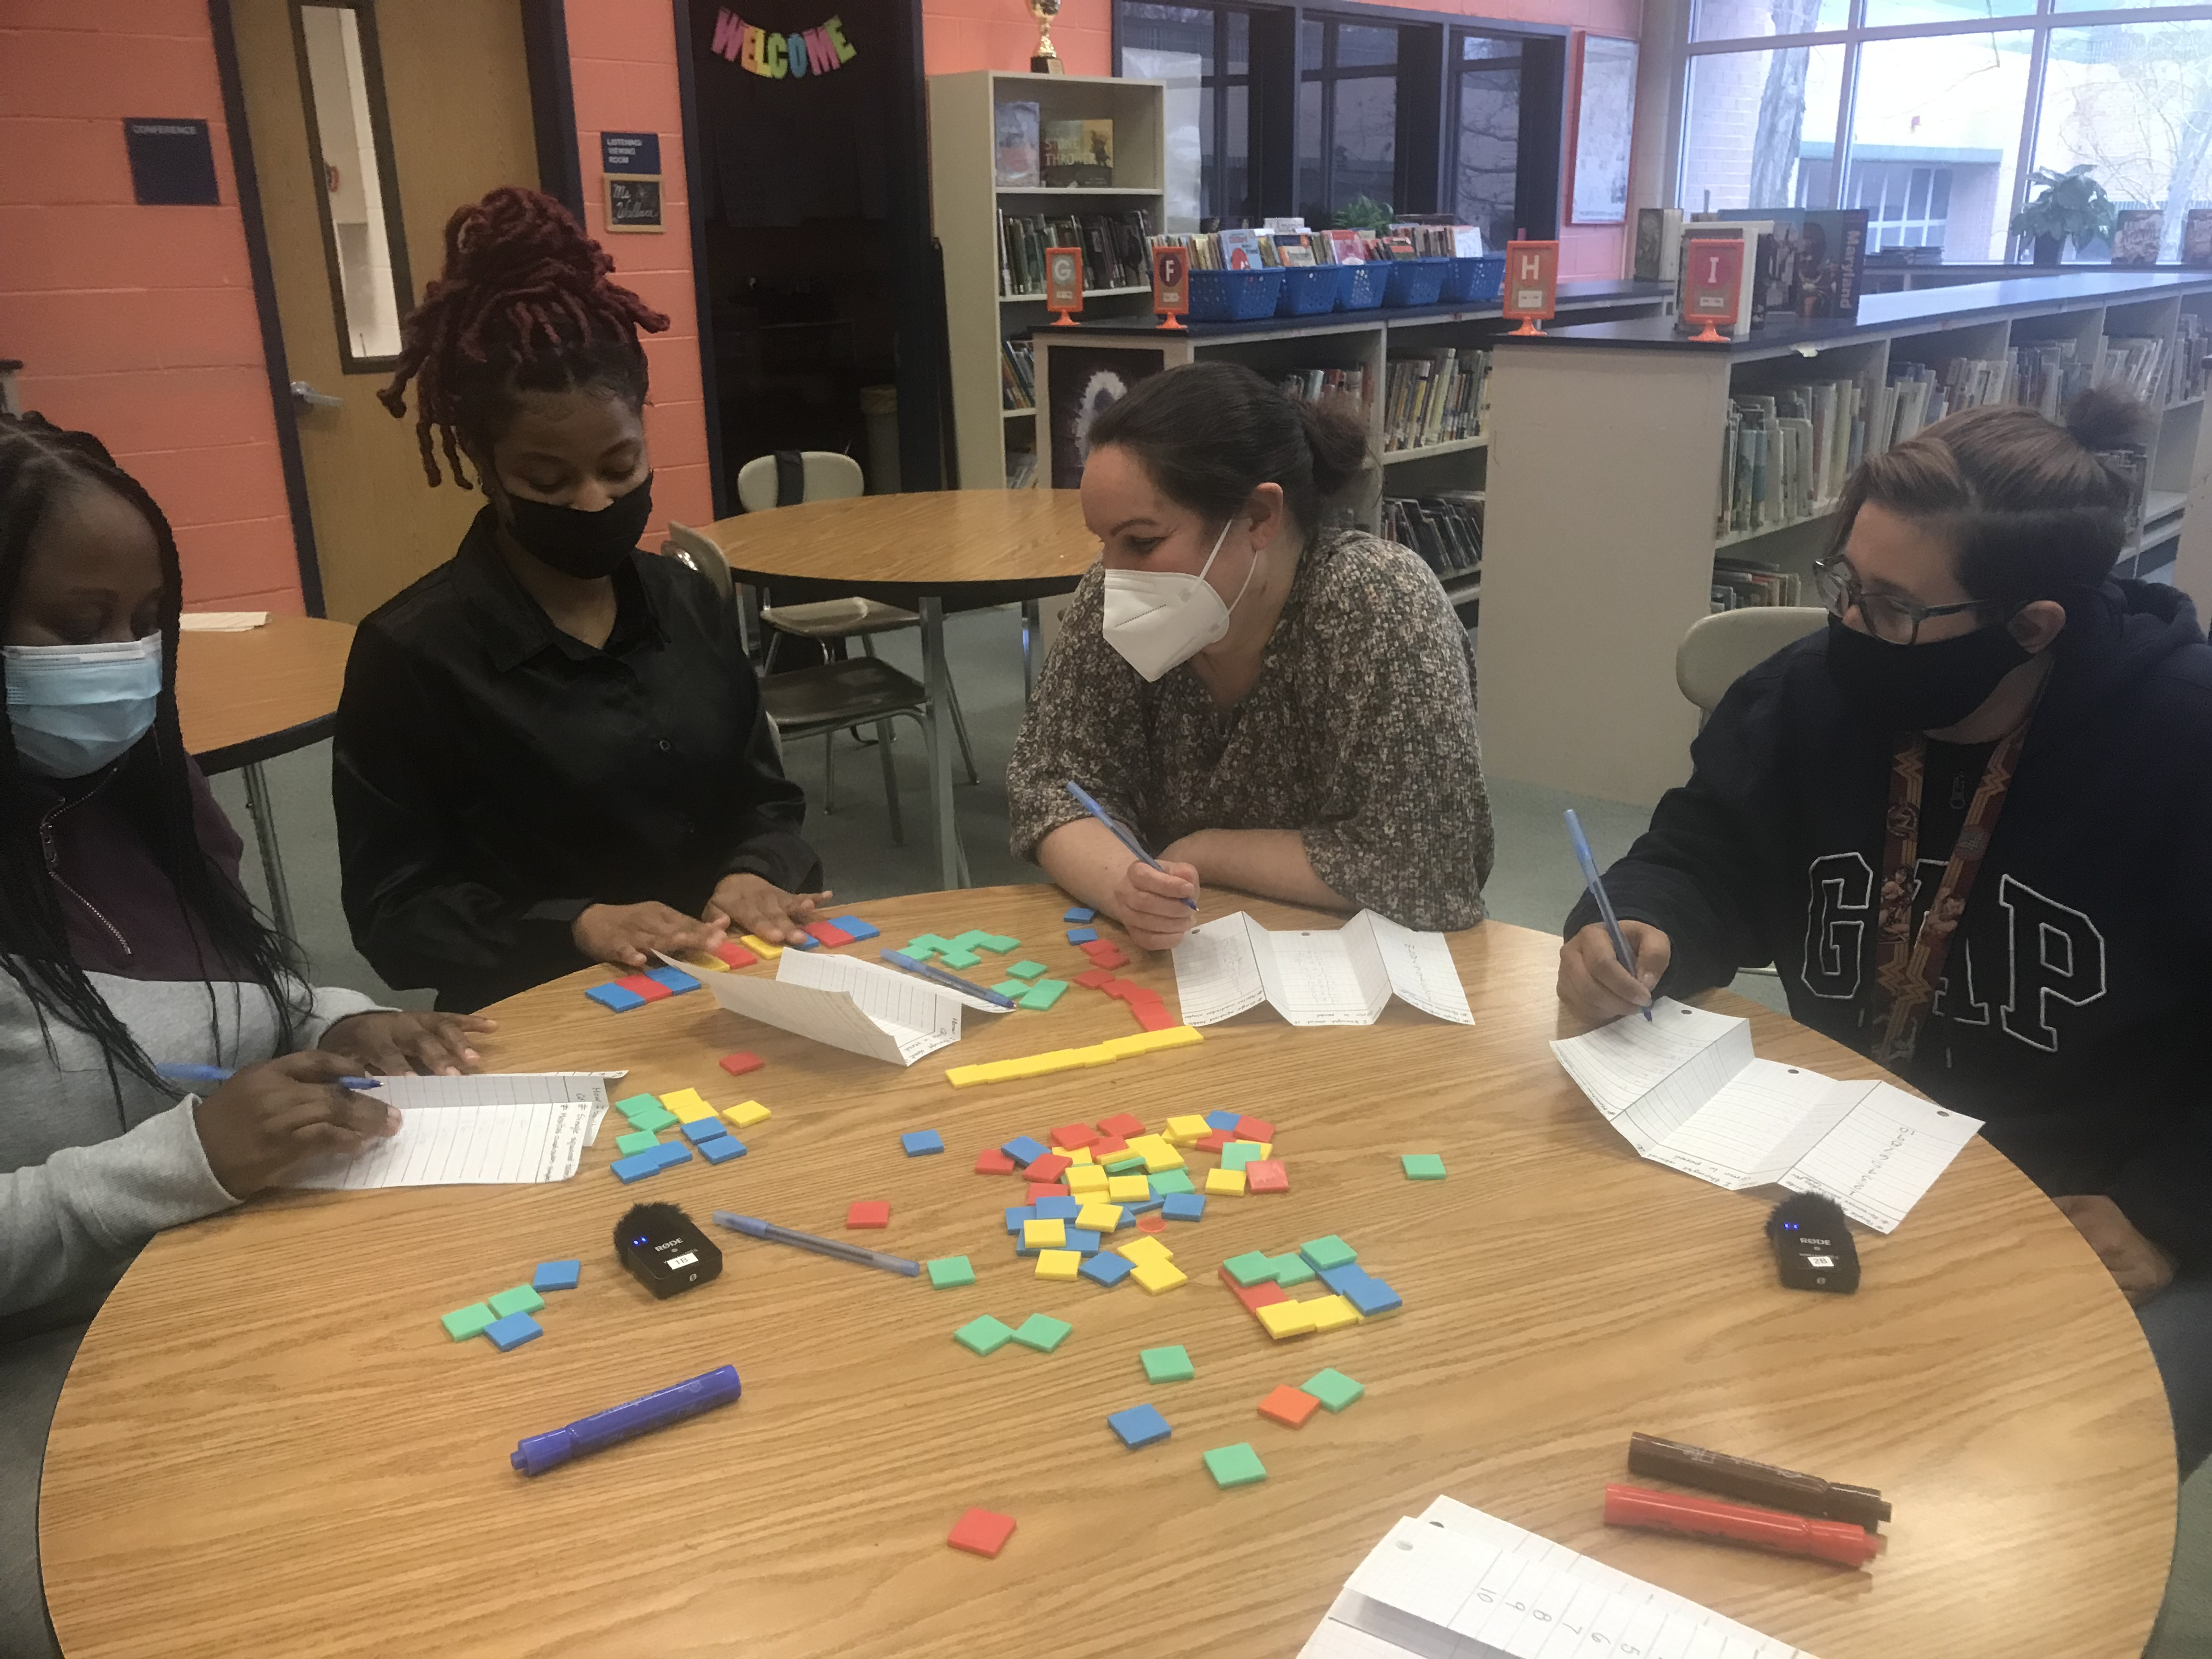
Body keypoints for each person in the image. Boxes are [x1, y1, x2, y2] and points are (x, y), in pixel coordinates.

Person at [1556, 391, 2212, 1474]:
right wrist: (1640, 922)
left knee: (2057, 1471)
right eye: (1846, 586)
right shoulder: (1808, 693)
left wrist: (2165, 1214)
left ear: (2033, 626)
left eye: (1894, 607)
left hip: (2093, 1192)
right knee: (1634, 1354)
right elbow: (1703, 853)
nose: (1851, 626)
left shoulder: (2181, 739)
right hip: (1839, 1153)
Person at [0, 413, 485, 1658]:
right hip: (54, 1360)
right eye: (75, 624)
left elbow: (251, 989)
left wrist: (343, 1017)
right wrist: (188, 1160)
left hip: (244, 1278)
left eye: (147, 618)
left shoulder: (145, 792)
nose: (124, 658)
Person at [335, 187, 823, 1012]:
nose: (595, 504)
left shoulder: (688, 601)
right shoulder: (415, 653)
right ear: (484, 469)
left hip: (726, 994)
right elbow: (394, 911)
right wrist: (575, 925)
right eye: (548, 481)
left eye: (620, 466)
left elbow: (764, 797)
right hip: (540, 1011)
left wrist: (756, 870)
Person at [1007, 362, 1492, 950]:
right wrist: (1128, 888)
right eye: (1103, 542)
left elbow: (1427, 867)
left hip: (1358, 964)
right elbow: (1052, 785)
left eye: (1142, 541)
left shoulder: (1379, 606)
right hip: (1184, 958)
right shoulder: (1112, 599)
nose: (1114, 574)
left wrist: (1202, 851)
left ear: (1259, 517)